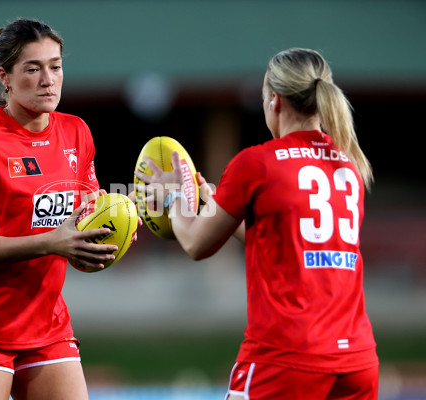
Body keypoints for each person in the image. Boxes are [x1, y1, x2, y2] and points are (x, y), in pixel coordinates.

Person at [136, 48, 379, 399]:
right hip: (357, 361)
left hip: (286, 359)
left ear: (274, 102)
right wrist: (212, 201)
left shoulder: (257, 162)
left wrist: (174, 196)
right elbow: (281, 242)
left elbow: (195, 244)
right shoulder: (349, 166)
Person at [0, 18, 118, 400]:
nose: (47, 79)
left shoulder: (76, 132)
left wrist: (117, 226)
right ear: (5, 76)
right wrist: (50, 243)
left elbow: (86, 216)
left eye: (55, 66)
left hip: (48, 326)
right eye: (32, 69)